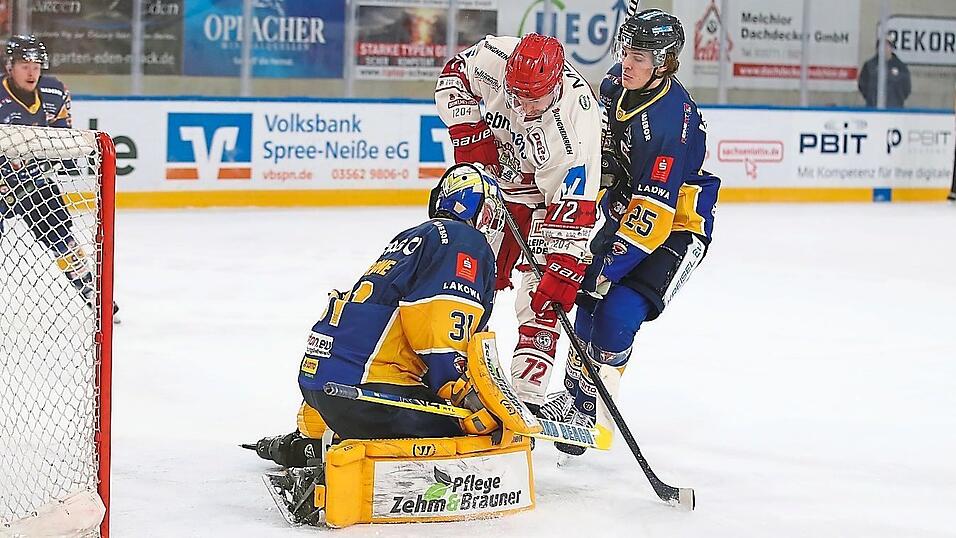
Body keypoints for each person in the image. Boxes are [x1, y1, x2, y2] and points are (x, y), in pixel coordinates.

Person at [246, 163, 518, 468]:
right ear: (486, 212)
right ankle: (350, 463)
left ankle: (309, 443)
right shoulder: (463, 240)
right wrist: (467, 397)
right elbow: (439, 322)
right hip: (373, 396)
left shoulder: (416, 238)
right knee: (477, 431)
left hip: (321, 389)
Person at [543, 9, 721, 456]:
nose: (627, 61)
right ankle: (577, 404)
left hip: (676, 227)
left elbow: (653, 215)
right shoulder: (613, 88)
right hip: (627, 214)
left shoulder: (672, 123)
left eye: (639, 56)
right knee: (585, 295)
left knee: (618, 309)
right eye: (626, 49)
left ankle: (598, 398)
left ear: (663, 62)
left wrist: (606, 268)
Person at [433, 33, 602, 416]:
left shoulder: (576, 125)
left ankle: (526, 397)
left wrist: (563, 269)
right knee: (464, 276)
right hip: (493, 184)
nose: (522, 108)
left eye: (533, 100)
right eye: (516, 95)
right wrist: (468, 130)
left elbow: (573, 208)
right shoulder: (494, 55)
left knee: (540, 296)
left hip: (545, 203)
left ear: (556, 85)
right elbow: (452, 75)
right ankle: (450, 371)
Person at [0, 35, 118, 316]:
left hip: (33, 184)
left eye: (36, 65)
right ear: (9, 67)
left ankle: (91, 291)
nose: (32, 72)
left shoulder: (54, 93)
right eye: (24, 65)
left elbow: (61, 142)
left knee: (62, 236)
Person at [858, 38, 911, 109]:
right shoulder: (869, 65)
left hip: (894, 109)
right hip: (873, 108)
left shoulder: (901, 67)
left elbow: (906, 88)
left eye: (887, 46)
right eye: (881, 46)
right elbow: (862, 85)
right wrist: (870, 98)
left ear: (891, 48)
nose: (884, 49)